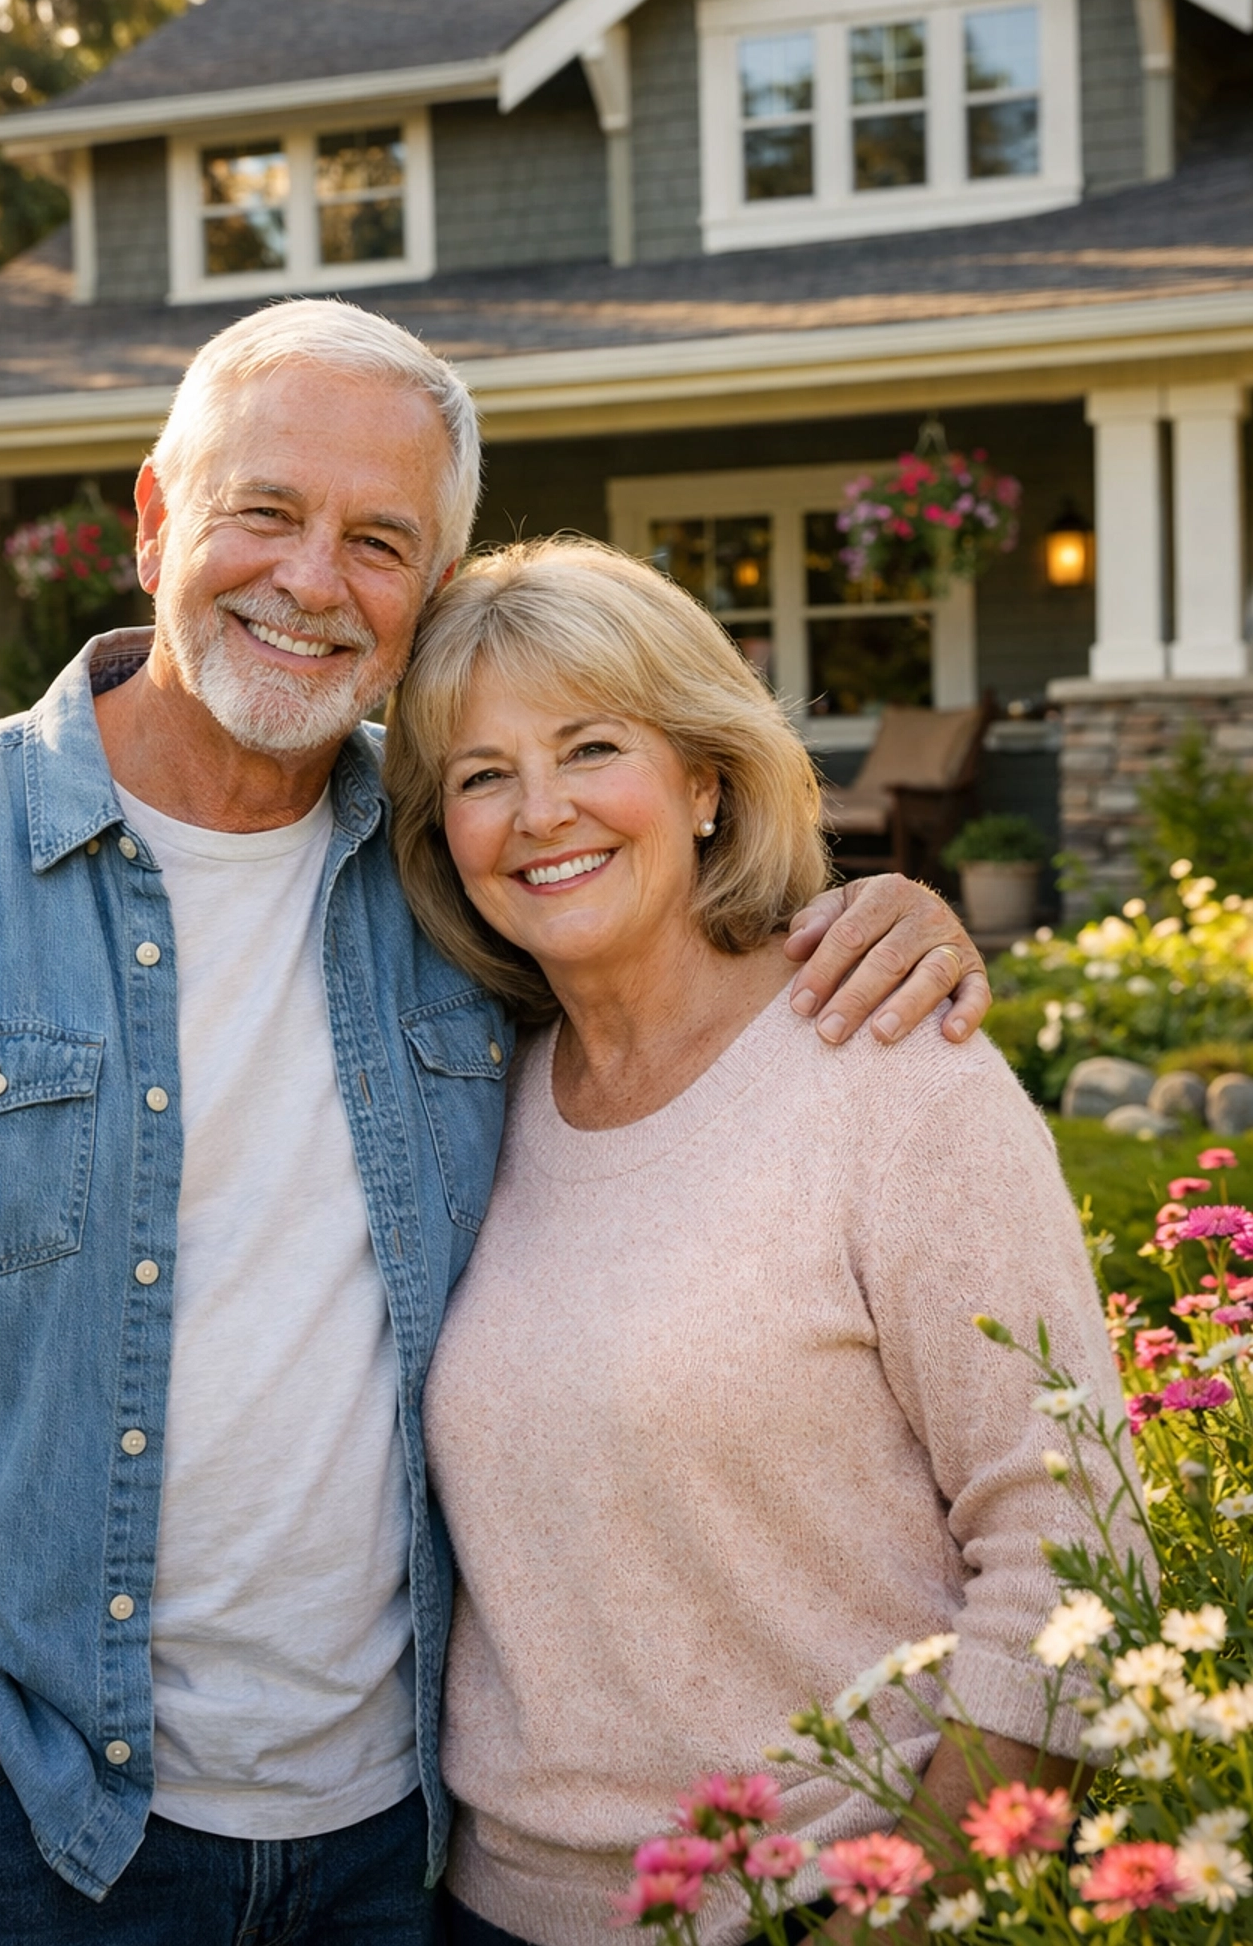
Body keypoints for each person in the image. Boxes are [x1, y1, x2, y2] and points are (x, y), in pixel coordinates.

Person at [0, 304, 989, 1946]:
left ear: (430, 592)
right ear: (157, 518)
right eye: (265, 512)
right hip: (23, 1836)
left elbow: (683, 980)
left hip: (400, 1847)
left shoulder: (467, 860)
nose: (313, 581)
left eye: (378, 541)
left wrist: (876, 918)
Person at [382, 539, 1132, 1946]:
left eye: (592, 748)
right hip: (489, 1907)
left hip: (820, 1900)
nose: (540, 813)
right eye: (482, 775)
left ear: (706, 779)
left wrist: (902, 1904)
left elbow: (1073, 1543)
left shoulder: (890, 1071)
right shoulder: (466, 1099)